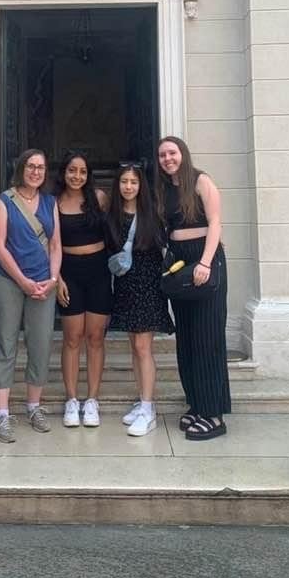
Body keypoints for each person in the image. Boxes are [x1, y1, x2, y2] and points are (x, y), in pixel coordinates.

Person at [155, 136, 230, 440]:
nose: (168, 159)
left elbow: (215, 223)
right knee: (187, 339)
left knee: (207, 338)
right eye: (162, 155)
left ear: (182, 154)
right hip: (179, 264)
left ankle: (214, 415)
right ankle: (197, 406)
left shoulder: (201, 181)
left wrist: (205, 263)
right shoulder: (164, 189)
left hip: (204, 260)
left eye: (172, 153)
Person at [0, 148, 61, 443]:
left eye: (41, 167)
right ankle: (2, 415)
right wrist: (23, 281)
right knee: (5, 343)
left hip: (43, 283)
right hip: (7, 280)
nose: (35, 172)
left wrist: (53, 279)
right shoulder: (5, 201)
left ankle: (34, 406)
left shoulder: (50, 202)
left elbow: (56, 244)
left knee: (40, 343)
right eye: (30, 166)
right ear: (21, 169)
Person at [106, 161, 174, 437]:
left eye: (133, 182)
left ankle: (148, 408)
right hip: (126, 286)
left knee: (144, 347)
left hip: (148, 285)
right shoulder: (113, 214)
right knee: (134, 346)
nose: (129, 186)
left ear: (140, 185)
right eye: (124, 182)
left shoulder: (152, 213)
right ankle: (143, 400)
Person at [54, 150, 111, 428]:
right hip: (69, 273)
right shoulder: (53, 202)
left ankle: (92, 400)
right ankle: (72, 399)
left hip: (99, 272)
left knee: (96, 337)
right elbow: (49, 244)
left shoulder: (99, 199)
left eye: (82, 171)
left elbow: (119, 231)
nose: (77, 176)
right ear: (64, 172)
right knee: (72, 338)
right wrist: (57, 279)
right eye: (72, 170)